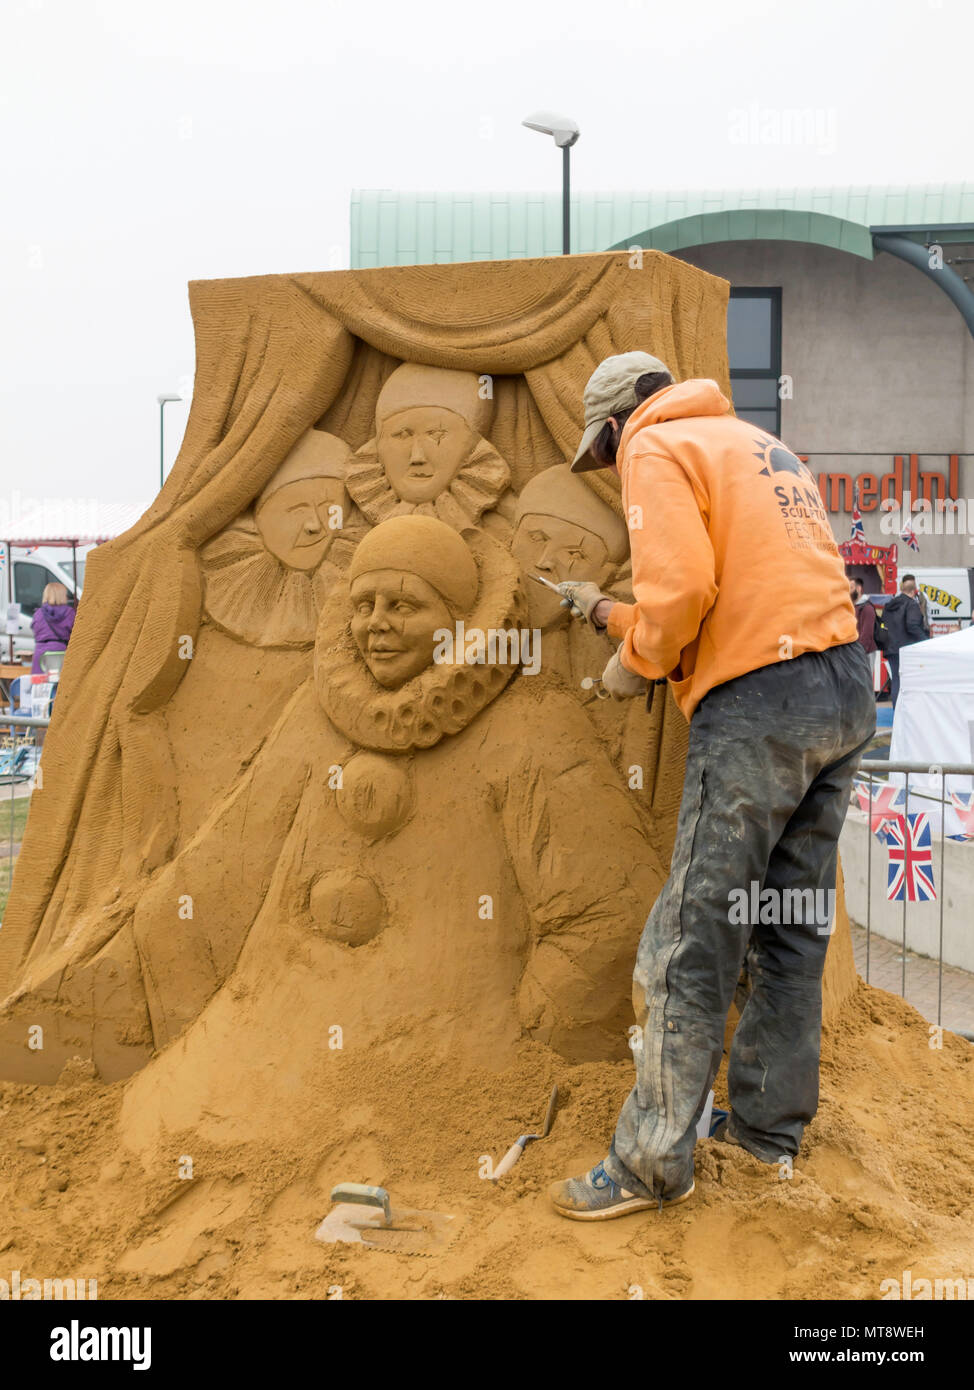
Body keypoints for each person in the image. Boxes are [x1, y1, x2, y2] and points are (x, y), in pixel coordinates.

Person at [547, 350, 876, 1220]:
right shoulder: (755, 445)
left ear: (619, 424)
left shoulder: (656, 448)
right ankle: (767, 1131)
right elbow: (742, 586)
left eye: (603, 450)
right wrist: (608, 612)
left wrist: (634, 658)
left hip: (759, 703)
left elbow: (686, 589)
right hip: (841, 689)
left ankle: (653, 1162)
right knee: (790, 926)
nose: (611, 466)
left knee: (693, 934)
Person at [883, 577, 928, 707]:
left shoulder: (889, 605)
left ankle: (896, 711)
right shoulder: (912, 604)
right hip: (906, 648)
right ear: (914, 591)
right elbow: (912, 626)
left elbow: (884, 625)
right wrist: (926, 642)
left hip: (890, 647)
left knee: (896, 680)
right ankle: (903, 711)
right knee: (905, 681)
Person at [30, 582, 75, 675]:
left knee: (39, 686)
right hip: (62, 655)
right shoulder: (70, 613)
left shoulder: (38, 613)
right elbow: (75, 634)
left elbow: (35, 630)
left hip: (41, 657)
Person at [848, 576, 877, 653]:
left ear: (859, 589)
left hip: (865, 652)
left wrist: (860, 652)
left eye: (851, 588)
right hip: (855, 651)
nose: (848, 592)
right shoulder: (854, 607)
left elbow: (867, 634)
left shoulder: (867, 608)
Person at [900, 572, 931, 636]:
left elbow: (928, 612)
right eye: (911, 585)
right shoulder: (900, 598)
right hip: (907, 631)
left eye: (914, 584)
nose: (913, 587)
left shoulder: (923, 596)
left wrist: (930, 626)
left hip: (923, 628)